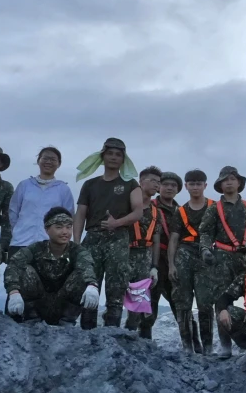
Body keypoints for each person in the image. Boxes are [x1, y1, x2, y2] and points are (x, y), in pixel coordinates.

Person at [74, 138, 144, 329]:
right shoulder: (90, 184)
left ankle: (112, 332)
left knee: (116, 285)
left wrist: (117, 223)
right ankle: (87, 330)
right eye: (110, 153)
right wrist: (76, 243)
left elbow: (138, 211)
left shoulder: (130, 184)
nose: (114, 157)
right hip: (92, 238)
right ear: (102, 156)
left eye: (118, 154)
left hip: (118, 239)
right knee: (89, 284)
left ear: (123, 159)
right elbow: (80, 214)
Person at [199, 165, 246, 356]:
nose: (229, 182)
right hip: (222, 258)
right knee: (222, 301)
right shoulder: (213, 209)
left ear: (239, 183)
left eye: (232, 179)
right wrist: (205, 249)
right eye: (225, 180)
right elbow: (205, 232)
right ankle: (226, 346)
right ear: (220, 184)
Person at [5, 207, 100, 326]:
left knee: (82, 275)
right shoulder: (35, 249)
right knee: (25, 269)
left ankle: (67, 321)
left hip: (63, 308)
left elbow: (86, 266)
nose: (65, 232)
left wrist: (92, 285)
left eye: (69, 227)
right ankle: (31, 319)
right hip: (36, 307)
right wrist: (13, 292)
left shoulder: (78, 251)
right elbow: (14, 265)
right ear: (47, 229)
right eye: (59, 227)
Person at [166, 170, 218, 353]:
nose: (195, 187)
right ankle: (187, 347)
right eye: (192, 184)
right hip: (184, 255)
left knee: (205, 303)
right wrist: (171, 264)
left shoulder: (215, 206)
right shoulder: (180, 211)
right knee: (183, 303)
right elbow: (173, 239)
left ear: (205, 185)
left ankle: (208, 347)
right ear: (186, 187)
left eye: (199, 183)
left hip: (207, 256)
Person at [7, 146, 75, 259]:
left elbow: (69, 216)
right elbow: (13, 212)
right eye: (45, 158)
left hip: (50, 245)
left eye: (53, 159)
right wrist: (19, 230)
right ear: (38, 161)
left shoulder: (63, 189)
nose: (48, 162)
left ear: (59, 164)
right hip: (21, 242)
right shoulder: (24, 185)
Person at [137, 171, 182, 341]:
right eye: (165, 184)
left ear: (178, 189)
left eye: (173, 185)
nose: (169, 188)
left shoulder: (182, 210)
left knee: (180, 304)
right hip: (151, 259)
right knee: (149, 306)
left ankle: (193, 347)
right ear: (159, 187)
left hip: (174, 263)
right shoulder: (150, 207)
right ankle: (144, 342)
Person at [124, 167, 166, 333]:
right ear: (141, 182)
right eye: (153, 181)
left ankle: (130, 333)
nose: (157, 185)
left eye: (159, 182)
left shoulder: (156, 212)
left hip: (144, 256)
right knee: (115, 293)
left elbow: (156, 241)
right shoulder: (126, 205)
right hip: (123, 253)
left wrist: (154, 266)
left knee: (138, 298)